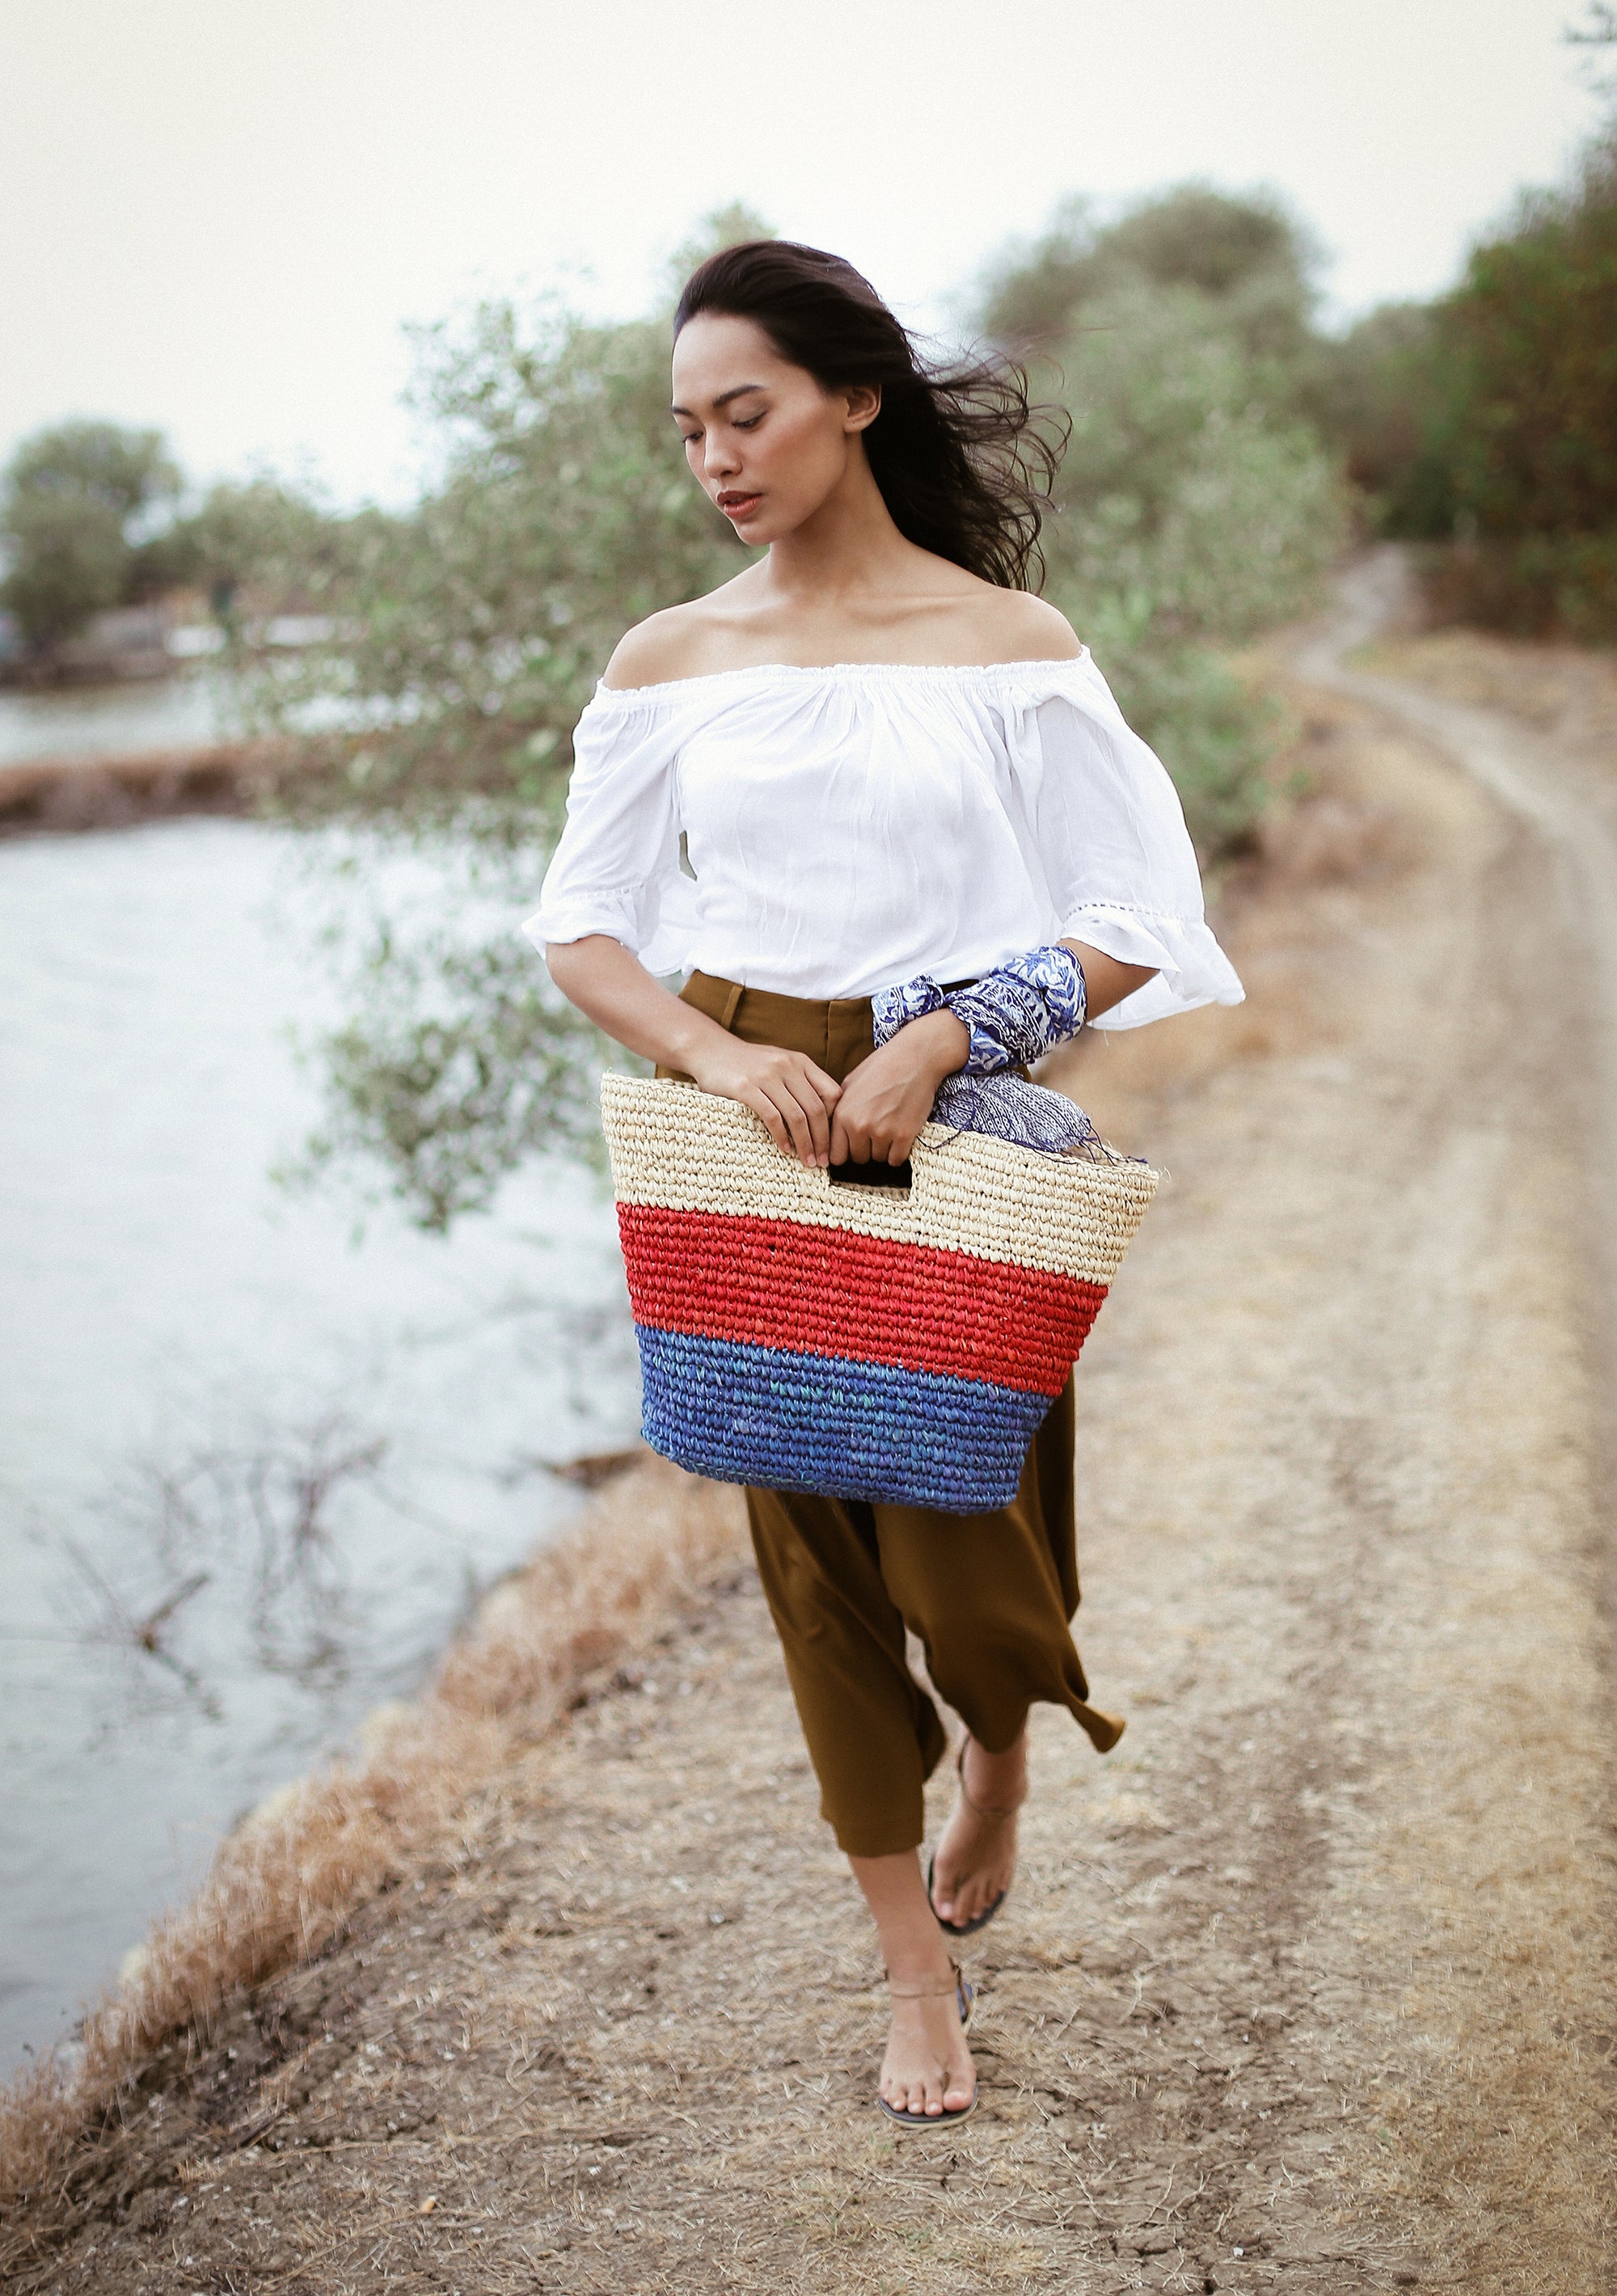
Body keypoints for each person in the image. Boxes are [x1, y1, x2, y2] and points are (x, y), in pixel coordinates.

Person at [529, 241, 1243, 2128]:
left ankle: (1000, 1731)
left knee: (968, 1529)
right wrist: (707, 1049)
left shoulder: (1009, 650)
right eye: (685, 428)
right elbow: (580, 929)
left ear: (855, 397)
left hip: (955, 1087)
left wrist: (943, 1039)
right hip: (752, 1086)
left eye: (742, 412)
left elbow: (1136, 924)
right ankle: (911, 1976)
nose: (713, 458)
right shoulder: (671, 659)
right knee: (814, 1557)